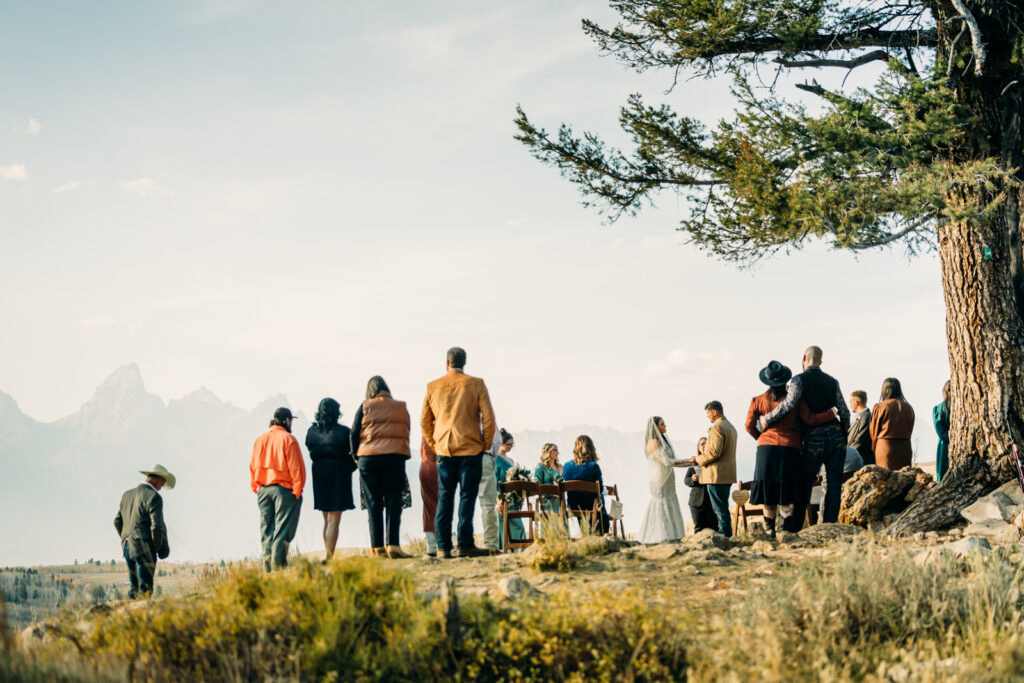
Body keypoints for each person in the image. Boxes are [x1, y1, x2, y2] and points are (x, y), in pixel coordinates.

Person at [758, 346, 850, 525]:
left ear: (803, 358)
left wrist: (766, 419)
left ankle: (795, 526)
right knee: (833, 485)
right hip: (836, 436)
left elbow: (789, 404)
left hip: (814, 437)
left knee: (804, 483)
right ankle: (828, 526)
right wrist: (844, 434)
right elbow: (845, 412)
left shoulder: (798, 380)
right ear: (820, 362)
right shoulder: (833, 381)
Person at [421, 347, 496, 559]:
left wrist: (434, 444)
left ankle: (443, 546)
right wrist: (485, 444)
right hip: (470, 448)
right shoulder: (476, 384)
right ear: (464, 363)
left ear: (447, 363)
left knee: (445, 497)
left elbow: (424, 421)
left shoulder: (433, 386)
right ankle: (464, 544)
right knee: (467, 497)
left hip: (444, 449)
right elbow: (488, 419)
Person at [745, 361, 834, 537]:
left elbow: (749, 426)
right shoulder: (794, 401)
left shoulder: (757, 400)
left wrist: (761, 438)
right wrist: (830, 414)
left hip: (765, 450)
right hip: (789, 447)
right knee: (786, 491)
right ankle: (785, 529)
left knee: (768, 492)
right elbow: (810, 419)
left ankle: (769, 528)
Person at [351, 376, 412, 559]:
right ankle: (392, 545)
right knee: (394, 501)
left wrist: (356, 456)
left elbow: (354, 432)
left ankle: (376, 548)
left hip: (368, 459)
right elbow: (407, 430)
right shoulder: (400, 407)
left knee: (373, 502)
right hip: (395, 457)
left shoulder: (364, 407)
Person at [250, 407, 306, 571]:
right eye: (291, 420)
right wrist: (297, 491)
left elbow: (253, 465)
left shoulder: (260, 439)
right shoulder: (289, 439)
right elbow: (296, 468)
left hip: (263, 490)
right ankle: (278, 567)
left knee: (266, 531)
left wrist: (255, 485)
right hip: (284, 491)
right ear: (287, 421)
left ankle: (268, 569)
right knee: (282, 530)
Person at [304, 398, 354, 562]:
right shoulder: (344, 432)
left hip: (319, 474)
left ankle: (328, 554)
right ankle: (329, 557)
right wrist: (349, 467)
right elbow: (354, 453)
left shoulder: (311, 432)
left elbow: (309, 447)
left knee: (326, 518)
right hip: (339, 474)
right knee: (334, 518)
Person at [114, 464, 174, 599]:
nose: (161, 488)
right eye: (162, 484)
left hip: (127, 548)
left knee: (134, 589)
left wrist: (126, 539)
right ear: (157, 480)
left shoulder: (127, 495)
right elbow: (156, 526)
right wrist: (156, 547)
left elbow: (117, 522)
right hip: (144, 548)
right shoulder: (154, 497)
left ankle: (128, 616)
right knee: (145, 590)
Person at [638, 416, 687, 543]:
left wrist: (688, 463)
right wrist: (688, 461)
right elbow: (666, 462)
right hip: (660, 479)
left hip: (668, 479)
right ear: (656, 427)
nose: (665, 426)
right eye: (662, 424)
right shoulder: (654, 442)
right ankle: (661, 536)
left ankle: (672, 534)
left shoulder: (661, 440)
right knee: (661, 503)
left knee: (669, 501)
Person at [697, 401, 737, 537]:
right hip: (727, 475)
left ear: (714, 412)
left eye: (708, 413)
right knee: (723, 507)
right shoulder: (731, 427)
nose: (707, 416)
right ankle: (727, 534)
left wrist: (698, 459)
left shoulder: (718, 428)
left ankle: (725, 536)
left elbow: (714, 453)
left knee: (719, 509)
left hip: (716, 475)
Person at [562, 435, 609, 534]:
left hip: (574, 506)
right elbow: (599, 488)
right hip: (591, 506)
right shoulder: (594, 467)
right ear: (591, 449)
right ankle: (602, 530)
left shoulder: (566, 466)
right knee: (600, 497)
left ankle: (586, 532)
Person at [870, 377, 916, 470]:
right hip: (905, 447)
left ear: (885, 390)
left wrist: (874, 446)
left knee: (886, 480)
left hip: (885, 447)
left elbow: (873, 431)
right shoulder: (909, 407)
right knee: (904, 479)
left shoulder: (880, 406)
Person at [494, 428, 524, 549]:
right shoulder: (495, 460)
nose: (511, 447)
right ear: (501, 443)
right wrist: (497, 502)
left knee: (517, 526)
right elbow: (495, 481)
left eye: (512, 444)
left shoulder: (511, 460)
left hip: (513, 499)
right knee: (505, 527)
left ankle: (519, 551)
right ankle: (506, 550)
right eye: (508, 444)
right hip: (502, 499)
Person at [684, 438, 718, 533]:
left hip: (711, 501)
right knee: (698, 529)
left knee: (714, 528)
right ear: (698, 448)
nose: (704, 445)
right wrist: (693, 479)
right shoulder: (695, 463)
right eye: (702, 444)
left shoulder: (714, 461)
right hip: (696, 502)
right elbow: (686, 480)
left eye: (706, 443)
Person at [477, 427, 501, 554]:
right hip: (483, 456)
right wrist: (491, 455)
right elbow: (496, 439)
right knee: (487, 504)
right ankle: (491, 545)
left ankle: (464, 543)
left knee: (465, 500)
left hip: (461, 457)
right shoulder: (483, 409)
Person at [419, 437, 439, 557]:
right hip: (441, 467)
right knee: (444, 505)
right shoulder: (443, 424)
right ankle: (442, 543)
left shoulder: (426, 427)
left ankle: (431, 545)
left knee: (428, 507)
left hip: (425, 466)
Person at [533, 443, 563, 515]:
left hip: (559, 501)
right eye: (555, 450)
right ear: (548, 452)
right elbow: (537, 483)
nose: (557, 453)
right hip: (547, 500)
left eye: (557, 450)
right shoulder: (541, 467)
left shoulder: (560, 467)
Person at [847, 390, 874, 465]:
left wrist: (845, 455)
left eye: (850, 402)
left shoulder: (867, 417)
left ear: (856, 402)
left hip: (861, 462)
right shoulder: (860, 417)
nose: (850, 405)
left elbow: (859, 442)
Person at [933, 380, 951, 482]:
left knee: (943, 476)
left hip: (944, 446)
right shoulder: (963, 407)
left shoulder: (938, 409)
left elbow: (941, 433)